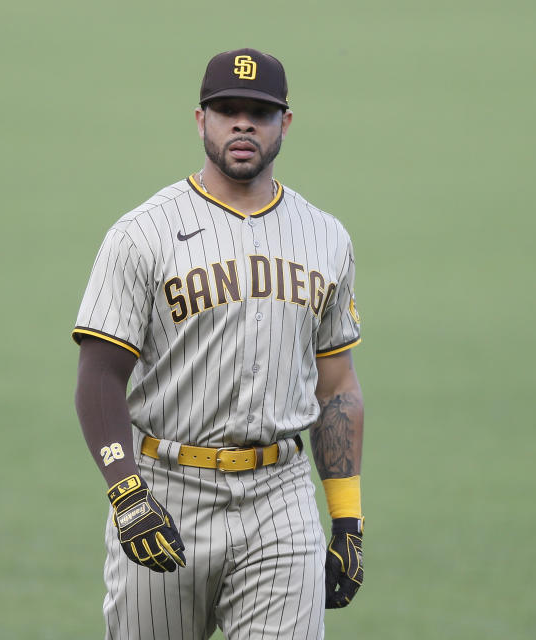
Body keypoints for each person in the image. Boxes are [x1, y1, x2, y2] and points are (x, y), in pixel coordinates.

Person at [71, 48, 365, 640]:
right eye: (227, 109)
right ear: (200, 119)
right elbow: (100, 377)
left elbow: (337, 388)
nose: (242, 124)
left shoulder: (326, 237)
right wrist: (126, 491)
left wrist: (348, 518)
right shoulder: (143, 234)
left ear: (285, 123)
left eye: (258, 112)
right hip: (167, 487)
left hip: (279, 498)